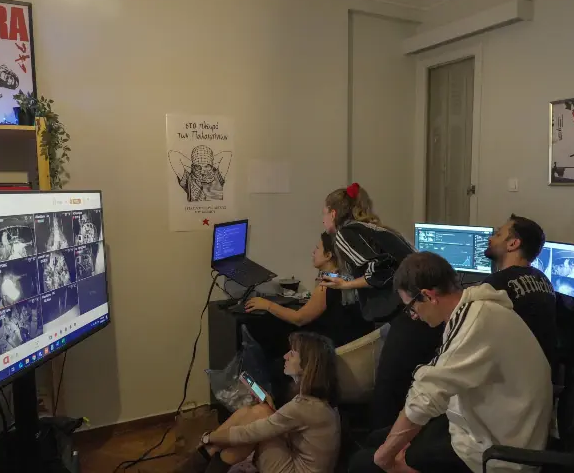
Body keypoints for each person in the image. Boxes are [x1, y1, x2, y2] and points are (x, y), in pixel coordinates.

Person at [349, 252, 553, 473]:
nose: (414, 316)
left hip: (499, 451)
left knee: (364, 463)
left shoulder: (474, 322)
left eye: (411, 308)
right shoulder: (477, 307)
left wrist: (385, 457)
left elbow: (426, 395)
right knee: (376, 439)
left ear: (428, 296)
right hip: (490, 425)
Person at [318, 183, 443, 429]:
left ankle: (383, 442)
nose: (323, 219)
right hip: (426, 309)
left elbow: (381, 271)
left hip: (409, 311)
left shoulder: (345, 234)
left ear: (333, 213)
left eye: (323, 213)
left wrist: (346, 285)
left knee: (388, 388)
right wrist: (346, 280)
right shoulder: (375, 229)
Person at [186, 332, 341, 473]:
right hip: (294, 456)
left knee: (257, 419)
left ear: (308, 364)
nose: (285, 356)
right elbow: (294, 432)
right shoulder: (316, 401)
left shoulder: (306, 406)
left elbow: (248, 433)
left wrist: (209, 437)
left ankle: (203, 457)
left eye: (292, 354)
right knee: (257, 411)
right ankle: (203, 459)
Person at [244, 233, 374, 347]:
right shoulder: (346, 277)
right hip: (349, 338)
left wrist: (267, 305)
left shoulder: (327, 285)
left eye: (317, 248)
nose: (313, 252)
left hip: (330, 344)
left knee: (267, 327)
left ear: (328, 255)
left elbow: (299, 319)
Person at [483, 214, 558, 368]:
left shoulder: (495, 284)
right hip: (538, 374)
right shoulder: (544, 280)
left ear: (513, 244)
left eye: (498, 234)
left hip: (509, 375)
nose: (490, 239)